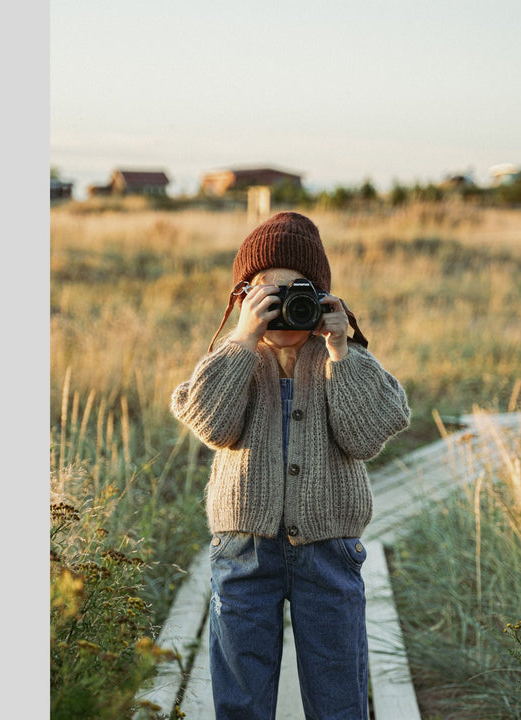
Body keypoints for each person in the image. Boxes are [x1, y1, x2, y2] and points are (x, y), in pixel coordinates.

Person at [171, 211, 411, 720]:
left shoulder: (340, 358)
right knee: (241, 697)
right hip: (243, 551)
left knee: (339, 694)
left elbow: (366, 436)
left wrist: (343, 350)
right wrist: (241, 339)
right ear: (242, 300)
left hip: (328, 550)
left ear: (323, 298)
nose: (282, 311)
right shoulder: (234, 357)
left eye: (295, 295)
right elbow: (210, 424)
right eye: (267, 296)